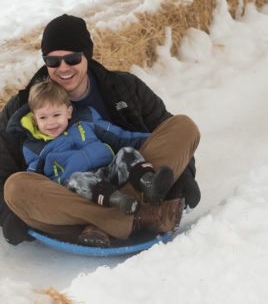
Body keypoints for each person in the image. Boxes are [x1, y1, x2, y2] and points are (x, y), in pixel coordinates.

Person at [0, 14, 202, 249]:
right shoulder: (21, 108)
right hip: (71, 198)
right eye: (53, 61)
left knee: (183, 127)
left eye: (72, 59)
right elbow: (0, 172)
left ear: (86, 55)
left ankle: (110, 222)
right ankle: (136, 218)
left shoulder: (124, 87)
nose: (63, 68)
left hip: (129, 182)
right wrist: (8, 216)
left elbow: (161, 133)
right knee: (15, 187)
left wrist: (183, 175)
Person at [12, 79, 175, 227]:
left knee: (126, 153)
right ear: (34, 119)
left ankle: (149, 183)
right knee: (77, 179)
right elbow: (34, 181)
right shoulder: (35, 147)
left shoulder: (86, 120)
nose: (51, 122)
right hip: (78, 191)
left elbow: (120, 136)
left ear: (68, 112)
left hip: (107, 172)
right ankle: (119, 201)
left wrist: (155, 137)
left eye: (56, 115)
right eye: (43, 118)